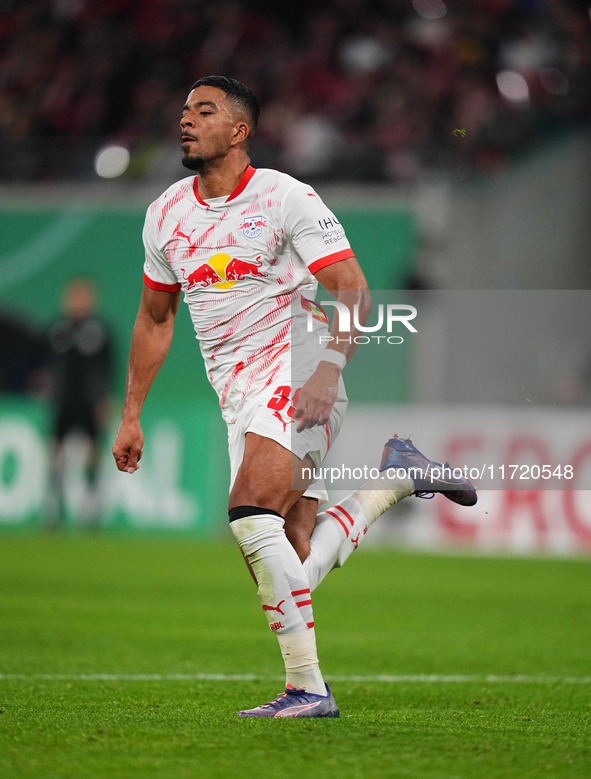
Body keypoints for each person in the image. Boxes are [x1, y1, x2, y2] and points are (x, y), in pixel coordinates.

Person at [112, 75, 476, 718]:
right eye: (184, 111)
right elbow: (155, 319)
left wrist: (328, 371)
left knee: (251, 512)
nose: (186, 121)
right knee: (292, 562)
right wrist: (132, 412)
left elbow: (354, 290)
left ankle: (308, 691)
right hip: (236, 394)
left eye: (205, 111)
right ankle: (394, 480)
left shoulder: (284, 198)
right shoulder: (166, 213)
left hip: (299, 372)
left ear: (240, 131)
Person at [48, 277, 113, 527]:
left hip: (90, 402)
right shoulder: (57, 329)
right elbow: (46, 363)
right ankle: (54, 504)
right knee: (56, 450)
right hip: (63, 401)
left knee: (92, 450)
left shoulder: (100, 330)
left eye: (82, 296)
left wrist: (105, 399)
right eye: (73, 296)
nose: (77, 302)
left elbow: (109, 367)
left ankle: (91, 504)